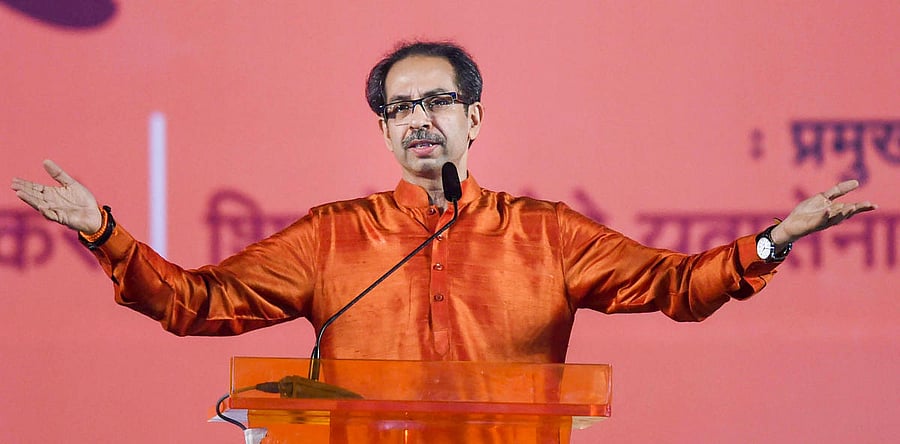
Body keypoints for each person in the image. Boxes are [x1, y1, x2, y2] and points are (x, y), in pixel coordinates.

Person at [10, 41, 876, 364]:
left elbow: (680, 288)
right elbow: (196, 305)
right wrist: (105, 234)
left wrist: (773, 241)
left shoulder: (546, 234)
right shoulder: (331, 237)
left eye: (437, 102)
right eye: (400, 109)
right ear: (384, 131)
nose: (419, 120)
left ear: (474, 118)